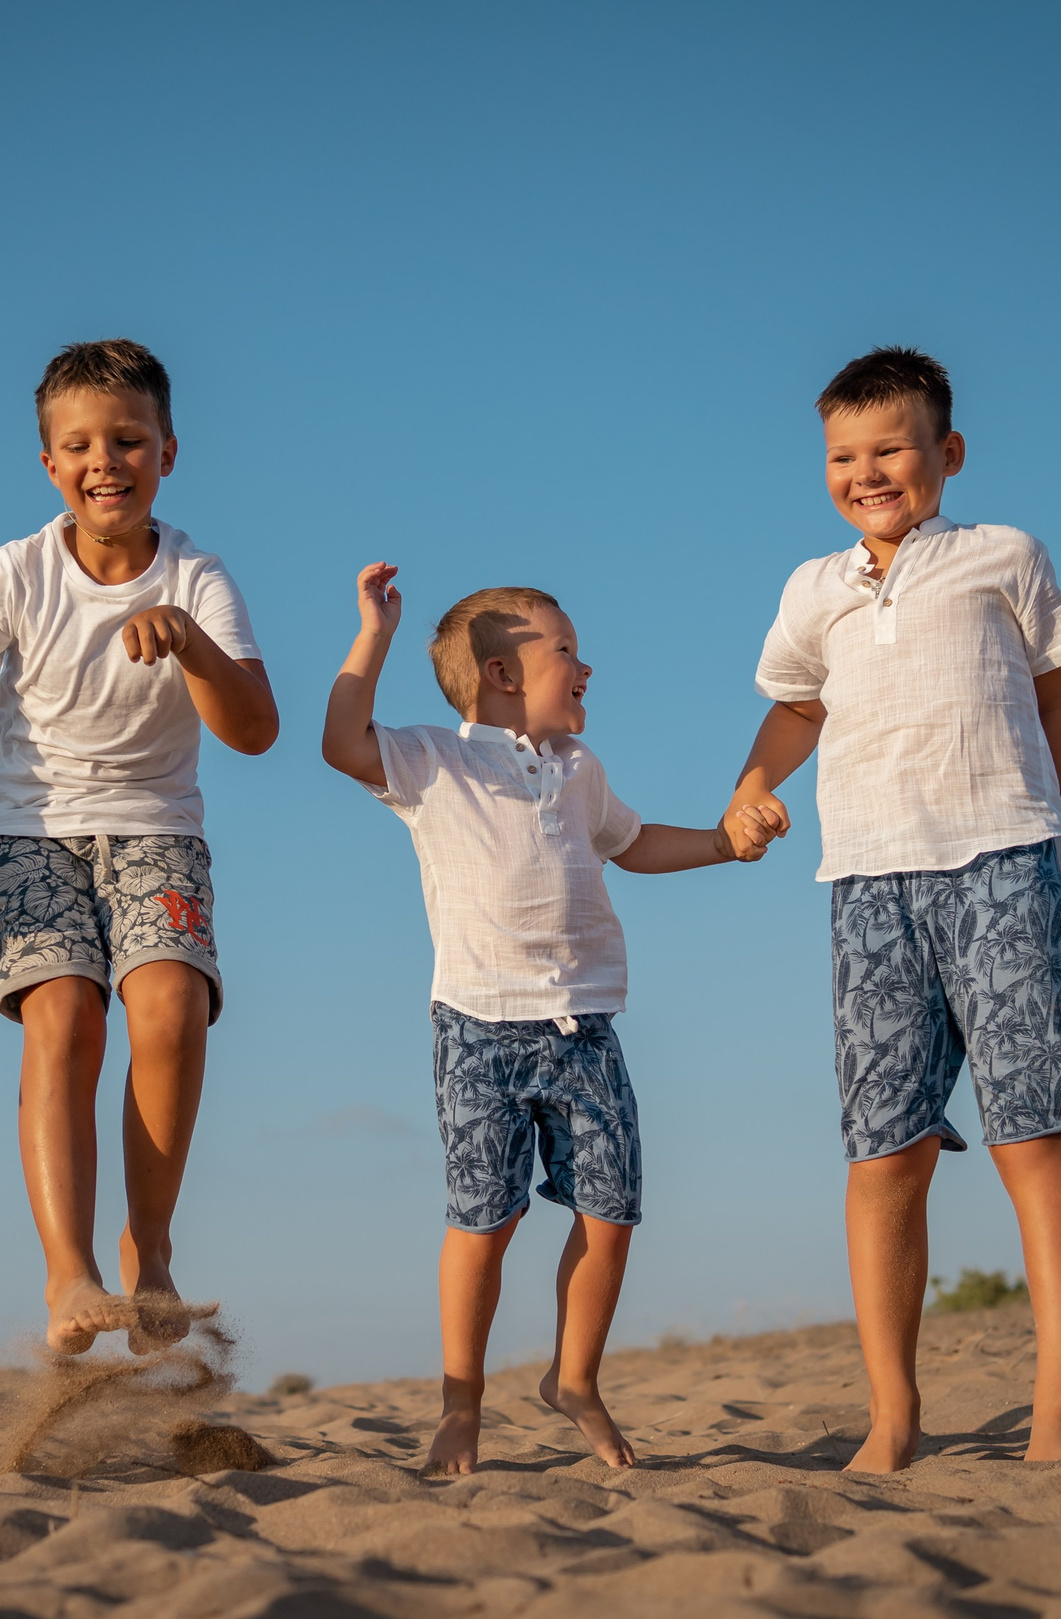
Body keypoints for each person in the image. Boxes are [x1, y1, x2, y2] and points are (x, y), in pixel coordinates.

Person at [725, 346, 1061, 1471]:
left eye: (890, 448)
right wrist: (750, 787)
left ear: (948, 452)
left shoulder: (1003, 556)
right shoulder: (813, 588)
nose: (866, 472)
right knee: (884, 1149)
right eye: (842, 456)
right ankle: (893, 1414)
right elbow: (797, 709)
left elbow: (1054, 697)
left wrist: (1043, 826)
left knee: (1031, 1131)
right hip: (865, 883)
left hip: (1000, 863)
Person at [0, 340, 278, 1355]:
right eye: (80, 445)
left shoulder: (197, 577)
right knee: (67, 1013)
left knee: (171, 1007)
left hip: (156, 824)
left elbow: (255, 729)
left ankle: (150, 1249)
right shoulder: (16, 571)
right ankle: (69, 1272)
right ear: (49, 464)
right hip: (26, 828)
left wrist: (190, 641)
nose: (105, 462)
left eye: (128, 440)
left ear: (167, 452)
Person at [324, 564, 774, 1473]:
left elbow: (633, 844)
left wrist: (725, 844)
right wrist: (374, 634)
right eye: (566, 650)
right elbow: (342, 742)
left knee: (611, 1212)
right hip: (478, 1027)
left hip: (584, 1028)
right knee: (483, 1220)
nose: (586, 667)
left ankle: (575, 1379)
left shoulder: (579, 771)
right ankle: (461, 1402)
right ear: (501, 674)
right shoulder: (434, 760)